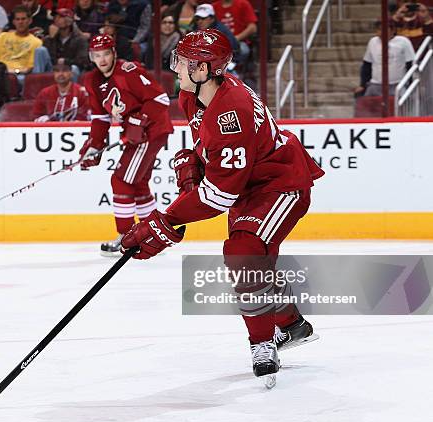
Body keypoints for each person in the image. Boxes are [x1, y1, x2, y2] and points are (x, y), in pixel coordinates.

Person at [119, 29, 324, 383]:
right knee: (255, 264)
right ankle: (291, 324)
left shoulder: (233, 112)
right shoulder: (193, 95)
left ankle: (263, 342)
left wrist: (164, 222)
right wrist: (192, 167)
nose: (176, 68)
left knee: (243, 253)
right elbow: (210, 152)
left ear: (203, 69)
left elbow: (218, 195)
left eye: (182, 62)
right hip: (250, 184)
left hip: (280, 184)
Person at [78, 34, 173, 256]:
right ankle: (153, 235)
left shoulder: (128, 72)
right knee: (138, 185)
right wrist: (94, 144)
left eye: (105, 54)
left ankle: (126, 236)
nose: (101, 59)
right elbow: (101, 118)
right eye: (96, 55)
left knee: (121, 180)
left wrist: (138, 122)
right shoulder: (92, 80)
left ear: (114, 53)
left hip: (151, 131)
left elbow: (160, 99)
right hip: (138, 133)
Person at [354, 20, 415, 97]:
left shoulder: (403, 42)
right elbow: (367, 64)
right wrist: (362, 84)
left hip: (397, 84)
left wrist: (410, 84)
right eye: (378, 29)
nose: (380, 32)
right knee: (364, 101)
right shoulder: (373, 42)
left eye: (383, 29)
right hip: (376, 84)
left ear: (393, 30)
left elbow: (410, 64)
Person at [0, 5, 51, 76]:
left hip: (21, 75)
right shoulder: (2, 37)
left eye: (23, 19)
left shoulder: (36, 42)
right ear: (14, 22)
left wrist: (15, 71)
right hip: (1, 74)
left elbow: (29, 69)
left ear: (30, 21)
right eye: (17, 19)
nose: (20, 22)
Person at [43, 8, 88, 76]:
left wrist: (65, 61)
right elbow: (49, 59)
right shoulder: (49, 39)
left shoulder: (80, 40)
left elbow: (83, 61)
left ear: (69, 21)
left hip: (71, 69)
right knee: (40, 50)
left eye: (60, 17)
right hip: (53, 68)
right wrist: (52, 39)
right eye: (55, 17)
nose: (56, 19)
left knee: (74, 68)